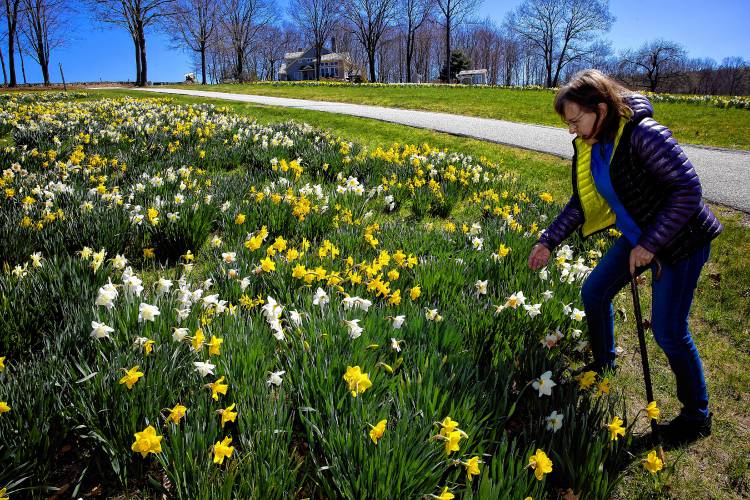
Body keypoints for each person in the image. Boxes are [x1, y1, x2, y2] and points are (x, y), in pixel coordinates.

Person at [527, 69, 723, 444]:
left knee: (668, 331)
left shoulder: (642, 134)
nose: (571, 130)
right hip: (639, 237)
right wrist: (548, 240)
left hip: (681, 241)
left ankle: (696, 416)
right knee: (595, 291)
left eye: (574, 120)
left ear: (600, 108)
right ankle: (604, 363)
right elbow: (582, 202)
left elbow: (687, 190)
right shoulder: (594, 143)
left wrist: (650, 245)